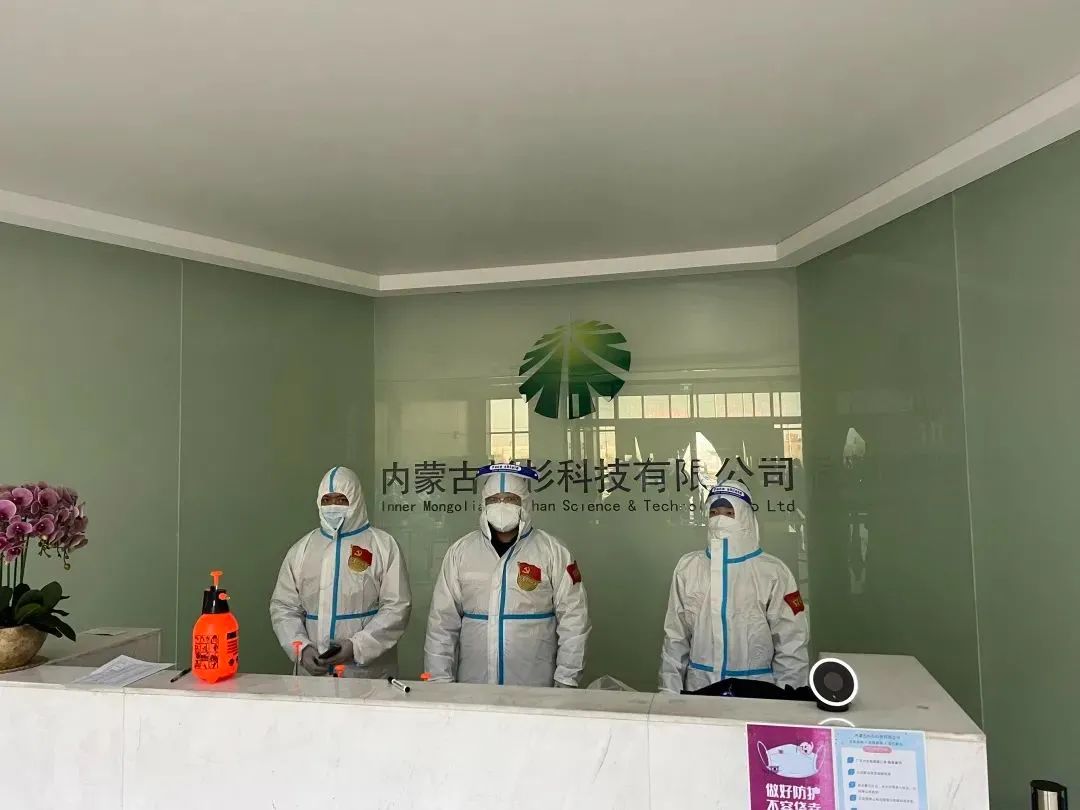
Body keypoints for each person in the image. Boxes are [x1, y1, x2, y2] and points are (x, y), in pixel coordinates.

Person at [424, 463, 590, 687]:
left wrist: (567, 677)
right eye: (494, 500)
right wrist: (438, 678)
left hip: (535, 684)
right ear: (483, 504)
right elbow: (442, 622)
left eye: (511, 499)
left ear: (525, 503)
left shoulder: (553, 551)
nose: (502, 505)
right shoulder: (461, 552)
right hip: (474, 684)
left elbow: (574, 618)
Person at [658, 479, 808, 693]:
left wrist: (788, 699)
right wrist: (669, 695)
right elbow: (675, 638)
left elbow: (791, 643)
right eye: (713, 513)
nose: (720, 520)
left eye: (729, 513)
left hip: (757, 693)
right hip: (700, 689)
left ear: (746, 516)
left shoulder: (773, 572)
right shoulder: (688, 568)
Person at [270, 466, 411, 677]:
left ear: (356, 500)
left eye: (341, 499)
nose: (332, 506)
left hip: (366, 673)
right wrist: (301, 648)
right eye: (326, 500)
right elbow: (284, 607)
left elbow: (397, 607)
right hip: (312, 672)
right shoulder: (302, 550)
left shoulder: (383, 546)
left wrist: (357, 646)